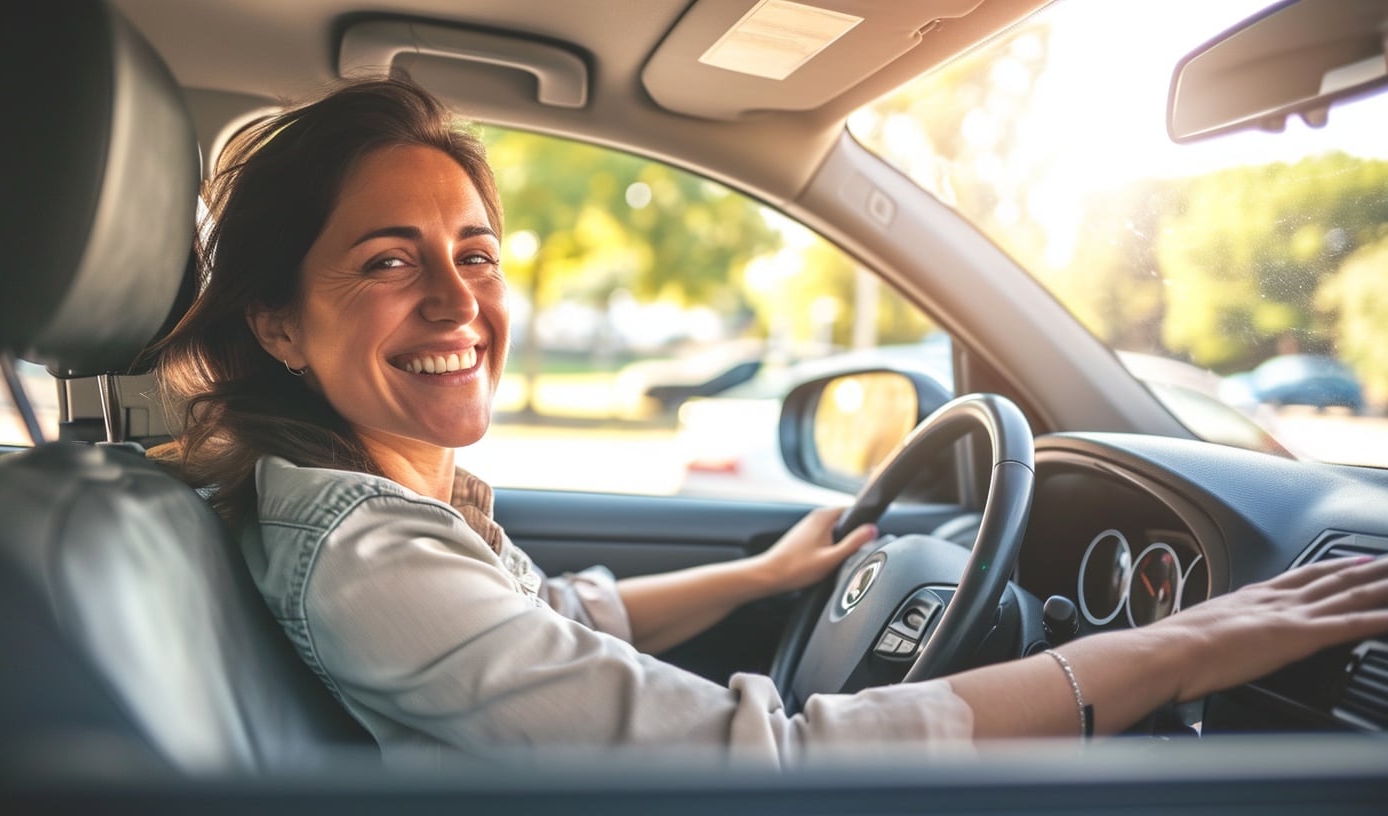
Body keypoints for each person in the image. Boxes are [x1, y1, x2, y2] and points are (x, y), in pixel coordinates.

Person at [154, 77, 1388, 767]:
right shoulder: (370, 556)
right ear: (277, 325)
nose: (455, 300)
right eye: (387, 261)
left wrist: (762, 574)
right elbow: (766, 762)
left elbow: (550, 621)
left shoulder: (369, 501)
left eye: (474, 253)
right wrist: (1173, 650)